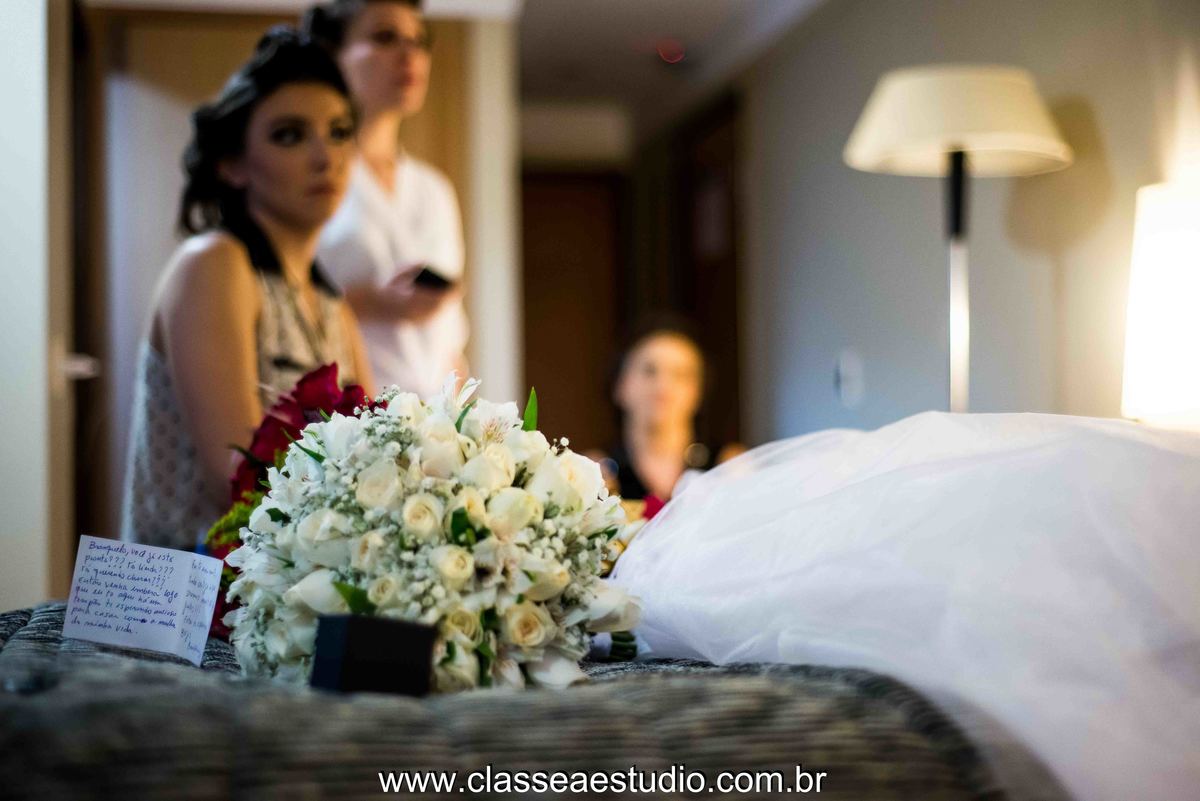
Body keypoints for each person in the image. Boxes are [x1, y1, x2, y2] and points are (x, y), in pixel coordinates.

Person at [610, 411, 1200, 801]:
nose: (663, 387)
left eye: (678, 372)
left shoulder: (721, 457)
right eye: (650, 371)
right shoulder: (607, 467)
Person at [120, 28, 374, 551]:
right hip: (188, 601)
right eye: (290, 135)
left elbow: (379, 455)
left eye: (340, 131)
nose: (326, 157)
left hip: (291, 586)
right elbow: (237, 483)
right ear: (232, 164)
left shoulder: (332, 304)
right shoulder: (213, 265)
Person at [303, 0, 468, 398]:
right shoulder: (312, 175)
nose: (409, 54)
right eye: (384, 37)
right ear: (334, 54)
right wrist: (372, 303)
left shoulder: (435, 190)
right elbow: (277, 305)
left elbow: (451, 340)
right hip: (343, 423)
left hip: (433, 424)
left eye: (418, 41)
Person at [597, 319, 743, 509]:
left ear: (698, 391)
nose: (663, 387)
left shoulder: (728, 468)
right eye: (649, 371)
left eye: (681, 375)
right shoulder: (592, 474)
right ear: (619, 385)